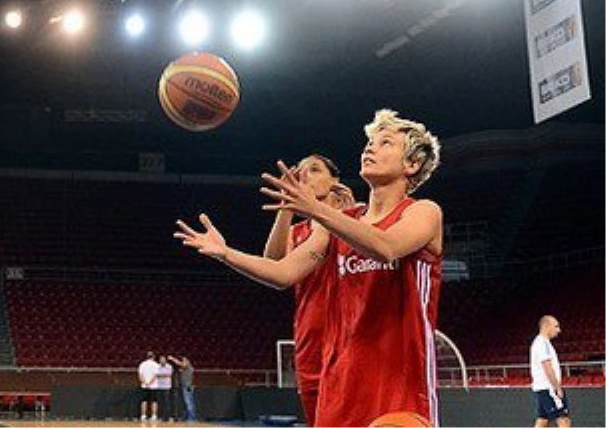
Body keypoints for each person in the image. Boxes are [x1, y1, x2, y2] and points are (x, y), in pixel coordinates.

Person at [175, 109, 442, 428]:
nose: (370, 147)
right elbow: (283, 273)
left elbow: (387, 247)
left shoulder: (424, 212)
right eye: (369, 142)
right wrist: (226, 253)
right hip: (340, 381)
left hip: (400, 381)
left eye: (385, 143)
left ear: (411, 164)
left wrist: (317, 208)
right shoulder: (339, 225)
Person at [261, 154, 354, 426]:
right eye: (300, 172)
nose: (304, 176)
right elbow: (273, 264)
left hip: (352, 336)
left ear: (335, 181)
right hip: (310, 338)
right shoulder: (298, 231)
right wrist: (285, 208)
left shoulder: (357, 217)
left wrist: (341, 215)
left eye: (314, 170)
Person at [531, 315, 572, 428]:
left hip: (543, 388)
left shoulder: (543, 343)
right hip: (549, 388)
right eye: (556, 326)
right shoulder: (542, 344)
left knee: (543, 421)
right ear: (546, 326)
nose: (559, 330)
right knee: (564, 420)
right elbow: (547, 367)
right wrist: (557, 387)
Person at [168, 356, 195, 422]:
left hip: (187, 387)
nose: (183, 361)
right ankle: (186, 417)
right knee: (186, 403)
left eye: (184, 360)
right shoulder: (185, 368)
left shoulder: (188, 366)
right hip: (184, 386)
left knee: (188, 402)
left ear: (188, 361)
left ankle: (191, 418)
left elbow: (181, 364)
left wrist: (172, 358)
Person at [137, 351, 160, 422]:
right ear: (153, 357)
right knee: (154, 401)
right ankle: (154, 416)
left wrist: (145, 383)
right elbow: (156, 375)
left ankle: (143, 415)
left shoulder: (142, 364)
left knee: (144, 401)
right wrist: (150, 383)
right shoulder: (156, 365)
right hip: (154, 386)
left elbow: (140, 375)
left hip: (144, 386)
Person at [155, 355, 174, 421]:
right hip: (159, 386)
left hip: (166, 387)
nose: (162, 361)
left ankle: (167, 417)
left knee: (167, 402)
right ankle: (160, 417)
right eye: (161, 359)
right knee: (160, 403)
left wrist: (160, 375)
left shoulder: (169, 366)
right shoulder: (157, 366)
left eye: (163, 359)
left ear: (165, 360)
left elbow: (169, 374)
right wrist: (163, 375)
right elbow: (156, 374)